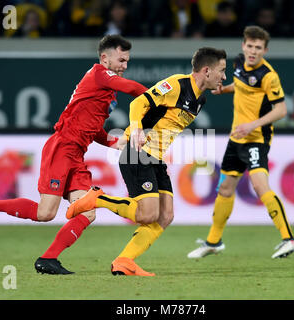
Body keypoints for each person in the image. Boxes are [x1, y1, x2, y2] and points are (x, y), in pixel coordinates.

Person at [0, 35, 148, 274]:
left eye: (127, 61)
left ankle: (48, 259)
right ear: (104, 58)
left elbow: (93, 128)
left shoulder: (106, 90)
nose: (125, 66)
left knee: (88, 212)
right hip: (62, 147)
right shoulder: (99, 74)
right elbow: (132, 87)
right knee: (45, 213)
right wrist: (156, 97)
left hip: (76, 154)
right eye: (121, 60)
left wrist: (114, 142)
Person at [65, 47, 227, 276]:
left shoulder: (200, 100)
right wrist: (138, 129)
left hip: (155, 158)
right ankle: (97, 199)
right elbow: (137, 103)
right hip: (137, 151)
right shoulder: (177, 85)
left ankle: (124, 261)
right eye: (222, 70)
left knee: (166, 215)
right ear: (207, 70)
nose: (224, 76)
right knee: (147, 215)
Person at [187, 26, 294, 260]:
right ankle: (213, 242)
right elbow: (243, 88)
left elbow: (281, 110)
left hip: (256, 139)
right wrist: (226, 89)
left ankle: (290, 239)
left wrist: (253, 125)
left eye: (258, 48)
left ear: (265, 50)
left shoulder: (269, 76)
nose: (252, 51)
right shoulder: (239, 63)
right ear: (243, 46)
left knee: (261, 187)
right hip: (236, 138)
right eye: (249, 46)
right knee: (226, 189)